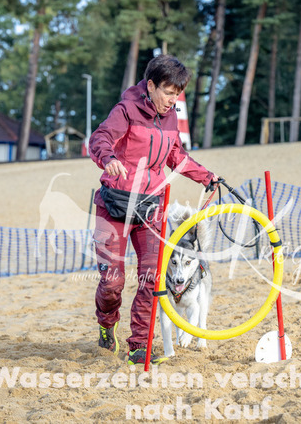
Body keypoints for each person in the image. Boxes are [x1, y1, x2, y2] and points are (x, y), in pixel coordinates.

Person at [88, 54, 218, 365]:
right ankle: (107, 323)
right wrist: (108, 158)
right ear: (150, 86)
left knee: (152, 278)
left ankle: (139, 346)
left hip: (150, 208)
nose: (173, 101)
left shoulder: (170, 118)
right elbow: (100, 138)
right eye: (168, 93)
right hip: (115, 204)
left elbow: (177, 156)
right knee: (112, 283)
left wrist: (207, 177)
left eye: (177, 94)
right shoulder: (126, 110)